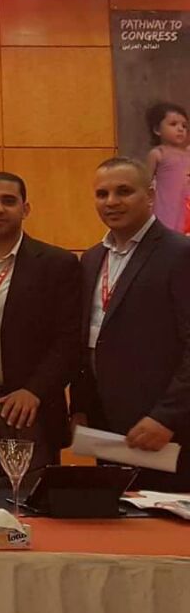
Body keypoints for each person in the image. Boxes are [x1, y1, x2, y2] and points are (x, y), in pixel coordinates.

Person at [74, 157, 190, 491]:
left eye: (123, 191)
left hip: (164, 429)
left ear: (150, 195)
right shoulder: (92, 258)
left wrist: (166, 416)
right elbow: (89, 339)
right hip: (107, 427)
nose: (111, 201)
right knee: (116, 514)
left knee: (163, 521)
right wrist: (80, 408)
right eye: (102, 194)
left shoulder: (179, 254)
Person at [0, 172, 82, 457]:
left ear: (25, 208)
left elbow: (69, 341)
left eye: (8, 201)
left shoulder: (57, 264)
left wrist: (34, 391)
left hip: (30, 408)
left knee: (28, 486)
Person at [144, 102, 190, 233]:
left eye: (184, 126)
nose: (180, 129)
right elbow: (145, 182)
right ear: (157, 130)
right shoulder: (158, 153)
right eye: (173, 124)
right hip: (166, 204)